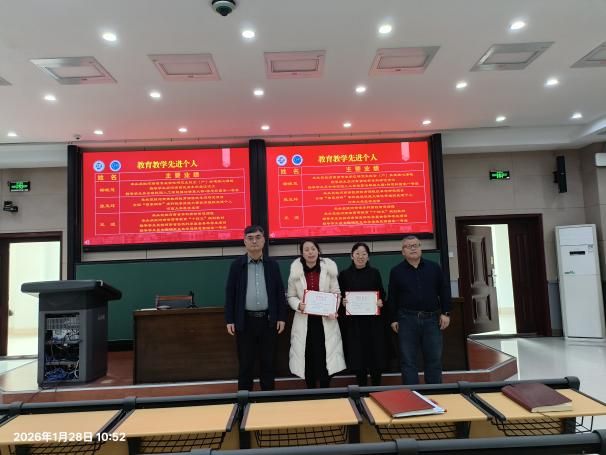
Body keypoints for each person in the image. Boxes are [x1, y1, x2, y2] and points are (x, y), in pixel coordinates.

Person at [224, 225, 288, 391]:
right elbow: (230, 293)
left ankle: (268, 400)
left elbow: (279, 292)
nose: (254, 241)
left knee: (268, 363)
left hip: (268, 321)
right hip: (245, 322)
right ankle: (244, 401)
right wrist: (229, 319)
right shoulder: (237, 265)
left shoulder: (272, 265)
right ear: (244, 242)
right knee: (246, 364)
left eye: (258, 237)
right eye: (250, 238)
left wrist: (281, 317)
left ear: (264, 240)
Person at [387, 235, 451, 385]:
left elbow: (444, 290)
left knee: (434, 360)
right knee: (408, 361)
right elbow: (392, 296)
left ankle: (435, 393)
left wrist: (446, 313)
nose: (413, 248)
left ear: (421, 248)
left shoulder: (434, 267)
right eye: (409, 246)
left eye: (416, 245)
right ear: (403, 252)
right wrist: (393, 319)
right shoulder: (396, 271)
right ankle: (413, 395)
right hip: (406, 320)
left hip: (432, 319)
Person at [287, 239, 346, 388]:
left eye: (313, 249)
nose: (310, 252)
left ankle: (325, 389)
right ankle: (311, 390)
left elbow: (336, 293)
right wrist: (298, 305)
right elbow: (291, 296)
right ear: (302, 253)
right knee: (307, 356)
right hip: (304, 322)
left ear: (318, 251)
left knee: (325, 355)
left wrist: (333, 308)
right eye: (306, 250)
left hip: (325, 321)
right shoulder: (295, 272)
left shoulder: (329, 270)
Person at [338, 242, 386, 386]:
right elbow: (339, 296)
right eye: (357, 254)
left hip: (373, 324)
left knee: (376, 357)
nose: (361, 257)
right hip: (354, 325)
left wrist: (381, 301)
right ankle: (362, 390)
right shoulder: (344, 275)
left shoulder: (375, 273)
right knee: (358, 359)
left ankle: (376, 388)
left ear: (368, 257)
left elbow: (382, 293)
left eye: (364, 254)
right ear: (351, 256)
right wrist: (342, 301)